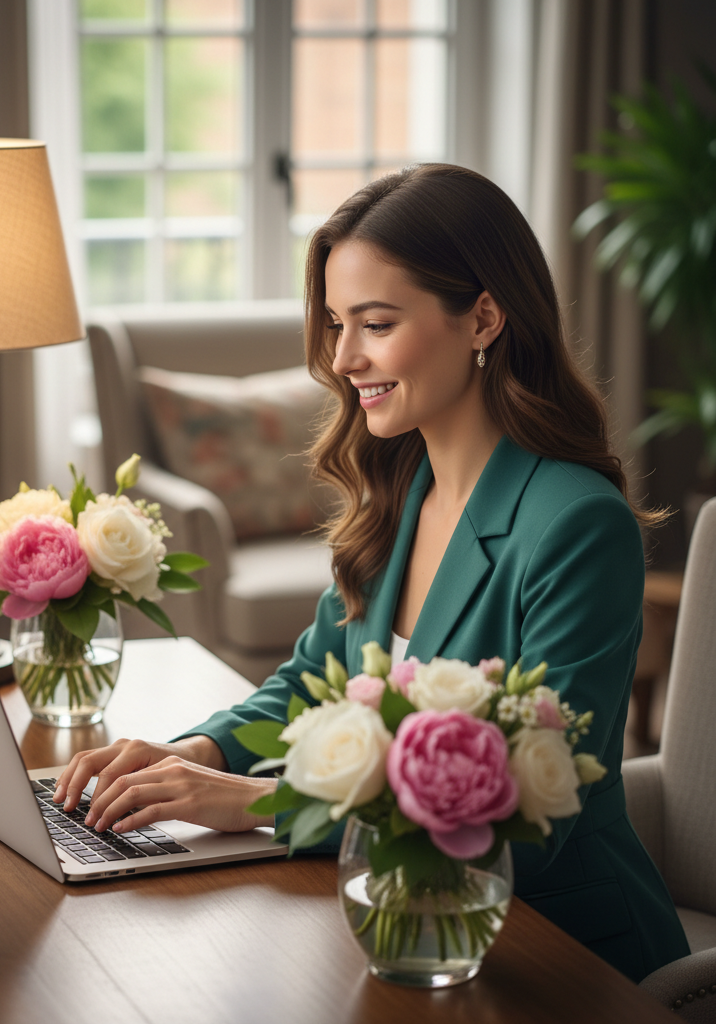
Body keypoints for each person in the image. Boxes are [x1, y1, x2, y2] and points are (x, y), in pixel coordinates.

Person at [53, 164, 689, 982]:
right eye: (335, 323)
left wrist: (260, 806)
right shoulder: (399, 488)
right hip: (400, 925)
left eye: (376, 323)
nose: (345, 357)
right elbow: (314, 682)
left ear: (483, 318)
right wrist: (195, 756)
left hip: (555, 950)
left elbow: (532, 822)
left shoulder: (574, 525)